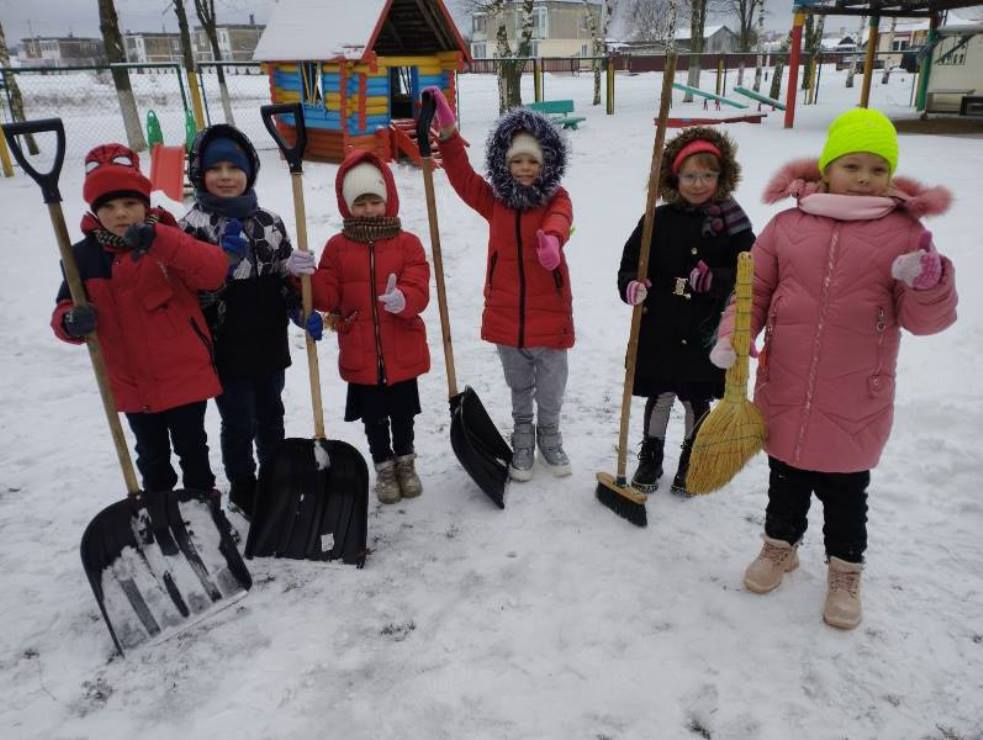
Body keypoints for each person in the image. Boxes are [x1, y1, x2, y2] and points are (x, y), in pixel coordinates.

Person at [712, 108, 958, 629]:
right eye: (852, 165)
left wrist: (930, 282)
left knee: (846, 491)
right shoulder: (787, 226)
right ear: (827, 169)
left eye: (877, 168)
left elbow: (922, 322)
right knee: (786, 477)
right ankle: (780, 547)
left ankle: (845, 569)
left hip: (856, 395)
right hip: (787, 383)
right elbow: (754, 288)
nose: (865, 178)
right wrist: (735, 335)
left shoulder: (904, 234)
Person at [51, 143, 229, 494]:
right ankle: (159, 509)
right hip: (130, 381)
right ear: (95, 212)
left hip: (183, 375)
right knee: (151, 456)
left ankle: (203, 506)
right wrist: (71, 321)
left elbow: (213, 272)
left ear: (145, 205)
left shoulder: (172, 240)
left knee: (193, 450)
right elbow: (63, 308)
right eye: (109, 207)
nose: (121, 214)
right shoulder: (82, 258)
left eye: (131, 204)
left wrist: (160, 239)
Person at [425, 86, 575, 482]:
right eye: (517, 161)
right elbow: (461, 176)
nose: (525, 167)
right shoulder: (495, 202)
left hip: (550, 312)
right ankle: (523, 434)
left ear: (546, 163)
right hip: (507, 313)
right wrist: (448, 132)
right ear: (504, 163)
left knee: (551, 386)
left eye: (532, 161)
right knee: (519, 384)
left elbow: (561, 216)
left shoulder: (556, 197)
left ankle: (550, 435)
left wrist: (553, 241)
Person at [180, 125, 322, 518]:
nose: (226, 175)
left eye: (234, 167)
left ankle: (275, 473)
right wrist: (218, 268)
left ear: (249, 172)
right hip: (224, 342)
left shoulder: (269, 221)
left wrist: (301, 310)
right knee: (238, 419)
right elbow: (189, 295)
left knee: (270, 413)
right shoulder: (191, 227)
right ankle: (244, 483)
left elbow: (284, 277)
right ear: (200, 174)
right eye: (216, 168)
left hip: (267, 336)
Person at [286, 151, 430, 504]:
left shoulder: (407, 242)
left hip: (402, 347)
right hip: (360, 350)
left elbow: (420, 283)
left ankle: (406, 463)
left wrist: (404, 298)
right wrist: (301, 275)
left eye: (374, 201)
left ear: (387, 200)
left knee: (403, 413)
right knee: (374, 417)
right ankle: (383, 466)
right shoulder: (338, 247)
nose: (368, 209)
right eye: (360, 202)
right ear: (348, 205)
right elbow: (327, 295)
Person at [617, 127, 755, 495]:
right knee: (660, 393)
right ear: (674, 177)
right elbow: (632, 261)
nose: (699, 184)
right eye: (690, 175)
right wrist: (632, 283)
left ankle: (692, 458)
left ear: (721, 178)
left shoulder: (734, 222)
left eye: (708, 175)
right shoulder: (657, 219)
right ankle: (651, 456)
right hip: (661, 322)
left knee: (696, 396)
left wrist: (718, 280)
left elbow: (752, 268)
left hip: (704, 328)